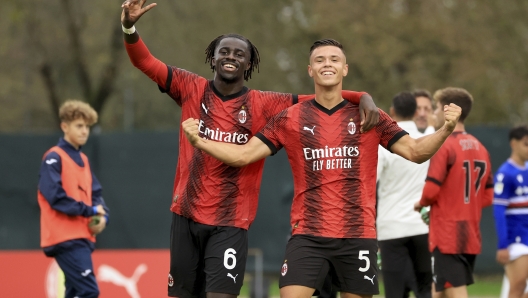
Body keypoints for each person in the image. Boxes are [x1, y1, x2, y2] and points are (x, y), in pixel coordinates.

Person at [120, 1, 380, 298]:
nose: (231, 57)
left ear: (249, 64)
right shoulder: (189, 87)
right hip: (186, 217)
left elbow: (321, 95)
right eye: (224, 52)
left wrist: (362, 97)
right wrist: (129, 27)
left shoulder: (265, 103)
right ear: (213, 59)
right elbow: (145, 62)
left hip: (231, 223)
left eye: (239, 54)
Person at [182, 39, 461, 298]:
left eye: (334, 59)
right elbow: (243, 155)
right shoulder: (289, 118)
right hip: (308, 237)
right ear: (310, 70)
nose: (327, 64)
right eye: (320, 60)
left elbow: (414, 152)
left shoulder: (369, 116)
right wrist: (199, 140)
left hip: (357, 236)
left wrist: (446, 128)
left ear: (345, 69)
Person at [413, 87, 494, 298]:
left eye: (437, 108)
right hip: (471, 232)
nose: (435, 113)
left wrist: (421, 204)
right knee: (439, 289)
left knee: (455, 289)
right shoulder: (481, 147)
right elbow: (487, 196)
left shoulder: (445, 146)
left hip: (448, 233)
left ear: (449, 110)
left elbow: (431, 191)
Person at [37, 100, 109, 298]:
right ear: (64, 126)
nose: (84, 131)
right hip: (65, 239)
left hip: (81, 237)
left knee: (76, 292)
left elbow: (96, 195)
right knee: (89, 291)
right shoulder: (54, 157)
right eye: (79, 125)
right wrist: (91, 211)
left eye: (87, 126)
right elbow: (56, 198)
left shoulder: (84, 160)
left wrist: (103, 218)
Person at [376, 92, 432, 298]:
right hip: (421, 224)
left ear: (391, 112)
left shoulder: (384, 143)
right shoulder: (427, 140)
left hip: (391, 227)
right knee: (425, 288)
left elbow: (370, 180)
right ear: (416, 112)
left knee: (395, 292)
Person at [493, 125, 528, 298]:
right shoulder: (505, 173)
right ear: (514, 144)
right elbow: (499, 210)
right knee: (518, 286)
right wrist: (503, 245)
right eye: (526, 144)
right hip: (517, 239)